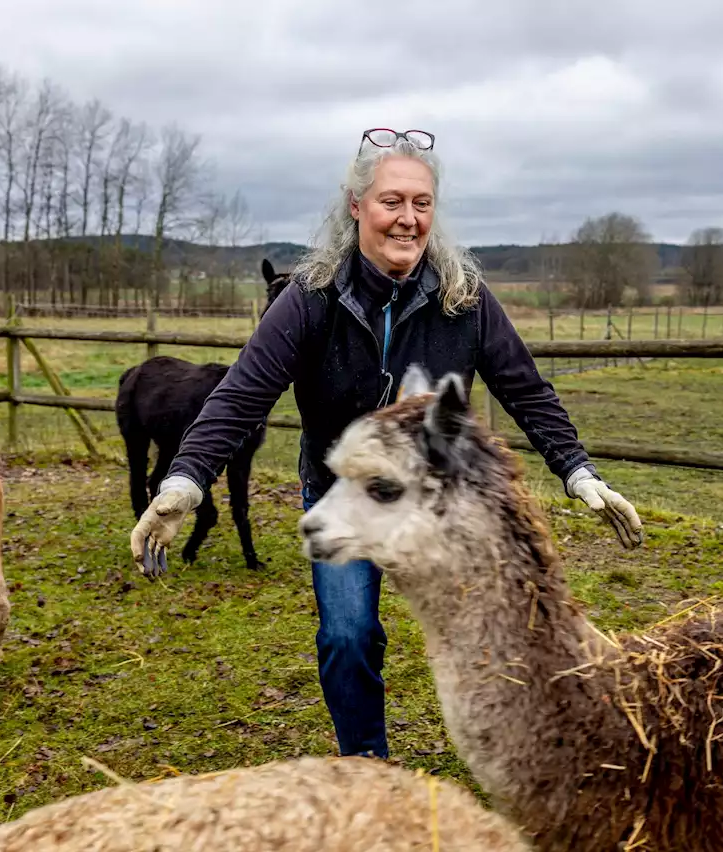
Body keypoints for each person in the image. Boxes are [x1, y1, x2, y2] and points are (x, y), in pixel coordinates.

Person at [129, 127, 644, 759]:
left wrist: (578, 472)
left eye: (421, 203)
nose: (408, 219)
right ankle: (367, 766)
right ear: (356, 206)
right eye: (391, 201)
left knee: (498, 625)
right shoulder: (310, 299)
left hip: (438, 504)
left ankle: (529, 751)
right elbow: (242, 393)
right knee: (348, 635)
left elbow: (526, 389)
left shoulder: (465, 298)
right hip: (346, 496)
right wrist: (184, 481)